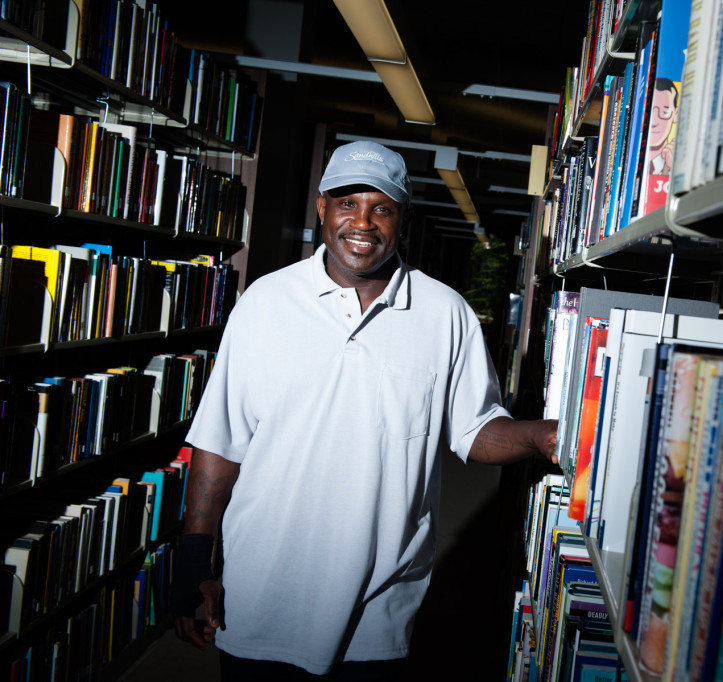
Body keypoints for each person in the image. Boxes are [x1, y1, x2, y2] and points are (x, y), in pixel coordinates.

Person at [170, 140, 559, 681]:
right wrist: (194, 559)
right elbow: (220, 442)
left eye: (381, 207)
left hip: (379, 607)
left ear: (402, 219)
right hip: (262, 594)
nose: (363, 222)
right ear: (322, 207)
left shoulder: (446, 314)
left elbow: (475, 432)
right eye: (348, 203)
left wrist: (544, 437)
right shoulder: (265, 303)